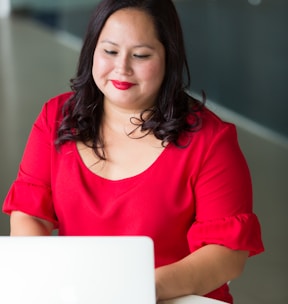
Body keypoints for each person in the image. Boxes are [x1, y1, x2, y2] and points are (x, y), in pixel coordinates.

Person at [2, 0, 264, 303]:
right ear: (92, 52)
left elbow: (227, 254)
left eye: (140, 55)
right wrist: (43, 279)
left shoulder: (211, 140)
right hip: (81, 294)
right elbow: (30, 214)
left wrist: (140, 289)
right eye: (110, 51)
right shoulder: (55, 117)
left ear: (169, 58)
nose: (122, 68)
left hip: (174, 296)